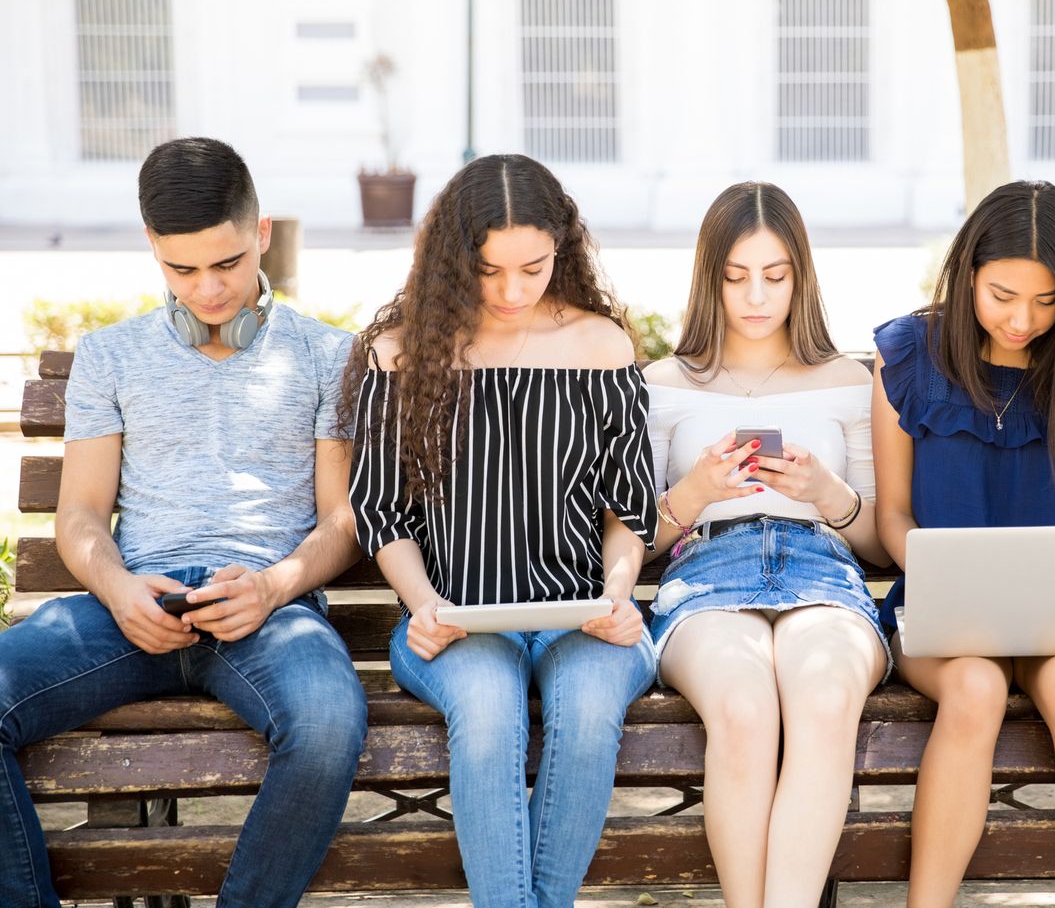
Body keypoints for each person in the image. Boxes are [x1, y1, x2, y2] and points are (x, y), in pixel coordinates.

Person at [0, 137, 367, 908]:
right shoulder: (111, 356)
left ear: (261, 233)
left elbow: (343, 520)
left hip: (269, 613)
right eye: (182, 269)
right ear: (152, 250)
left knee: (330, 725)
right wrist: (119, 588)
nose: (207, 291)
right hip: (133, 606)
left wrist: (272, 588)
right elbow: (81, 517)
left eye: (227, 264)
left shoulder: (328, 355)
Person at [344, 154, 658, 908]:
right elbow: (382, 512)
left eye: (533, 268)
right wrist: (422, 605)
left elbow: (629, 513)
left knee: (586, 719)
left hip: (582, 617)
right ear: (454, 260)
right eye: (487, 272)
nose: (512, 292)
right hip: (451, 621)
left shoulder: (602, 348)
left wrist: (617, 595)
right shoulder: (400, 352)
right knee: (487, 718)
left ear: (563, 248)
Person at [871, 181, 1055, 908]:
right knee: (976, 686)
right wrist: (939, 573)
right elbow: (893, 513)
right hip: (945, 617)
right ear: (967, 275)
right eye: (1001, 295)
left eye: (1047, 301)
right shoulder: (908, 358)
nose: (1022, 319)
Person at [643, 181, 890, 906]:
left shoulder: (849, 381)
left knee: (823, 692)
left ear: (801, 278)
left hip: (823, 570)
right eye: (736, 277)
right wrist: (696, 493)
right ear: (708, 278)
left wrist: (825, 494)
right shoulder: (664, 383)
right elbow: (634, 543)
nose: (756, 296)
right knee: (745, 708)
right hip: (706, 572)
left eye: (776, 276)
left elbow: (879, 543)